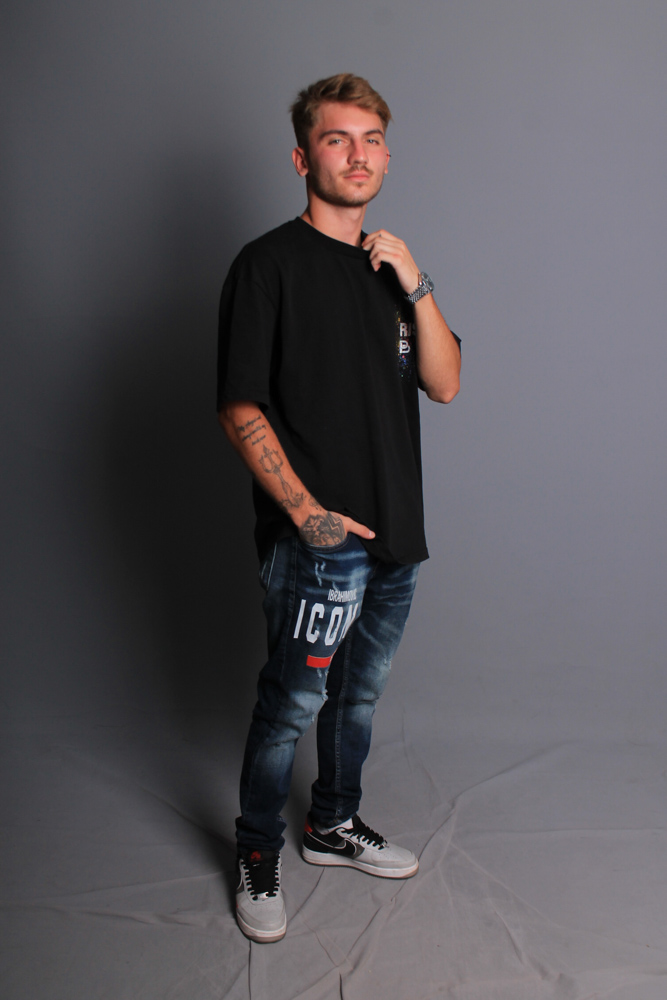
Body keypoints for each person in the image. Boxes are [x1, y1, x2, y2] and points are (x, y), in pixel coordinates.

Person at [217, 73, 461, 943]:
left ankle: (331, 823)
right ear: (302, 158)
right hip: (319, 540)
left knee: (358, 699)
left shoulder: (391, 270)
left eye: (370, 140)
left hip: (396, 534)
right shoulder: (267, 265)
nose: (356, 155)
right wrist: (305, 514)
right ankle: (256, 851)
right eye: (336, 139)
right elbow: (239, 406)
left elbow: (444, 384)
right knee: (291, 703)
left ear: (385, 158)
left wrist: (417, 283)